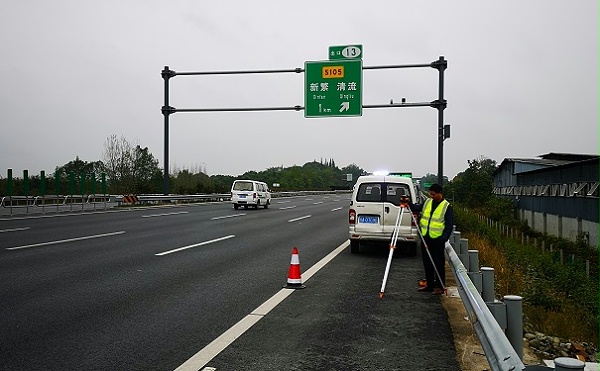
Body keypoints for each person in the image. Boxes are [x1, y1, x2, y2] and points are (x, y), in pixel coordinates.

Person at [401, 183, 453, 295]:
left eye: (434, 194)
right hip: (425, 239)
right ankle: (429, 285)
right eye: (430, 194)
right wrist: (408, 202)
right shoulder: (428, 202)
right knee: (427, 263)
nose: (432, 196)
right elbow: (416, 208)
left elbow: (449, 226)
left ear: (440, 193)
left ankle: (439, 286)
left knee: (438, 264)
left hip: (437, 240)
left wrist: (443, 239)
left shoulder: (446, 206)